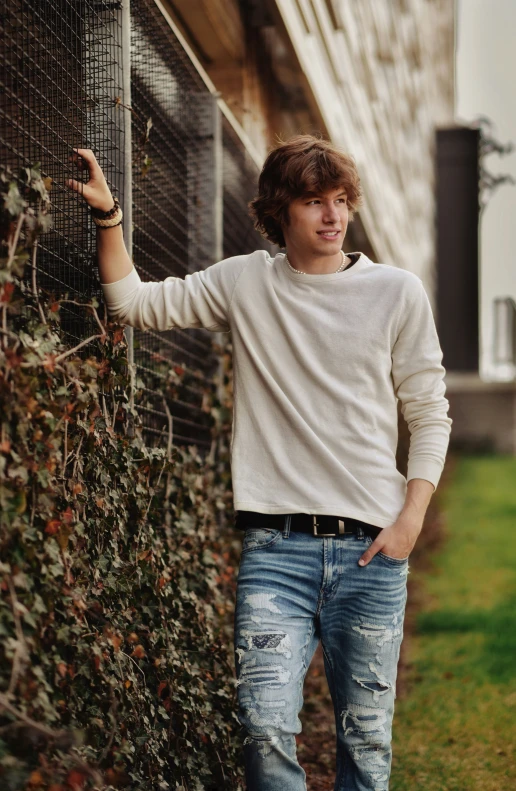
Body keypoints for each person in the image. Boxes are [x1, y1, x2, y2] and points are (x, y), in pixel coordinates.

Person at [66, 134, 452, 791]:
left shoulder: (397, 291)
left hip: (372, 551)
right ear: (281, 211)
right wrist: (110, 217)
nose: (331, 215)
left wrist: (411, 518)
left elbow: (429, 410)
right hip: (277, 553)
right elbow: (133, 303)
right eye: (312, 201)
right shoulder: (246, 281)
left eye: (339, 200)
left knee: (367, 743)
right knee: (264, 728)